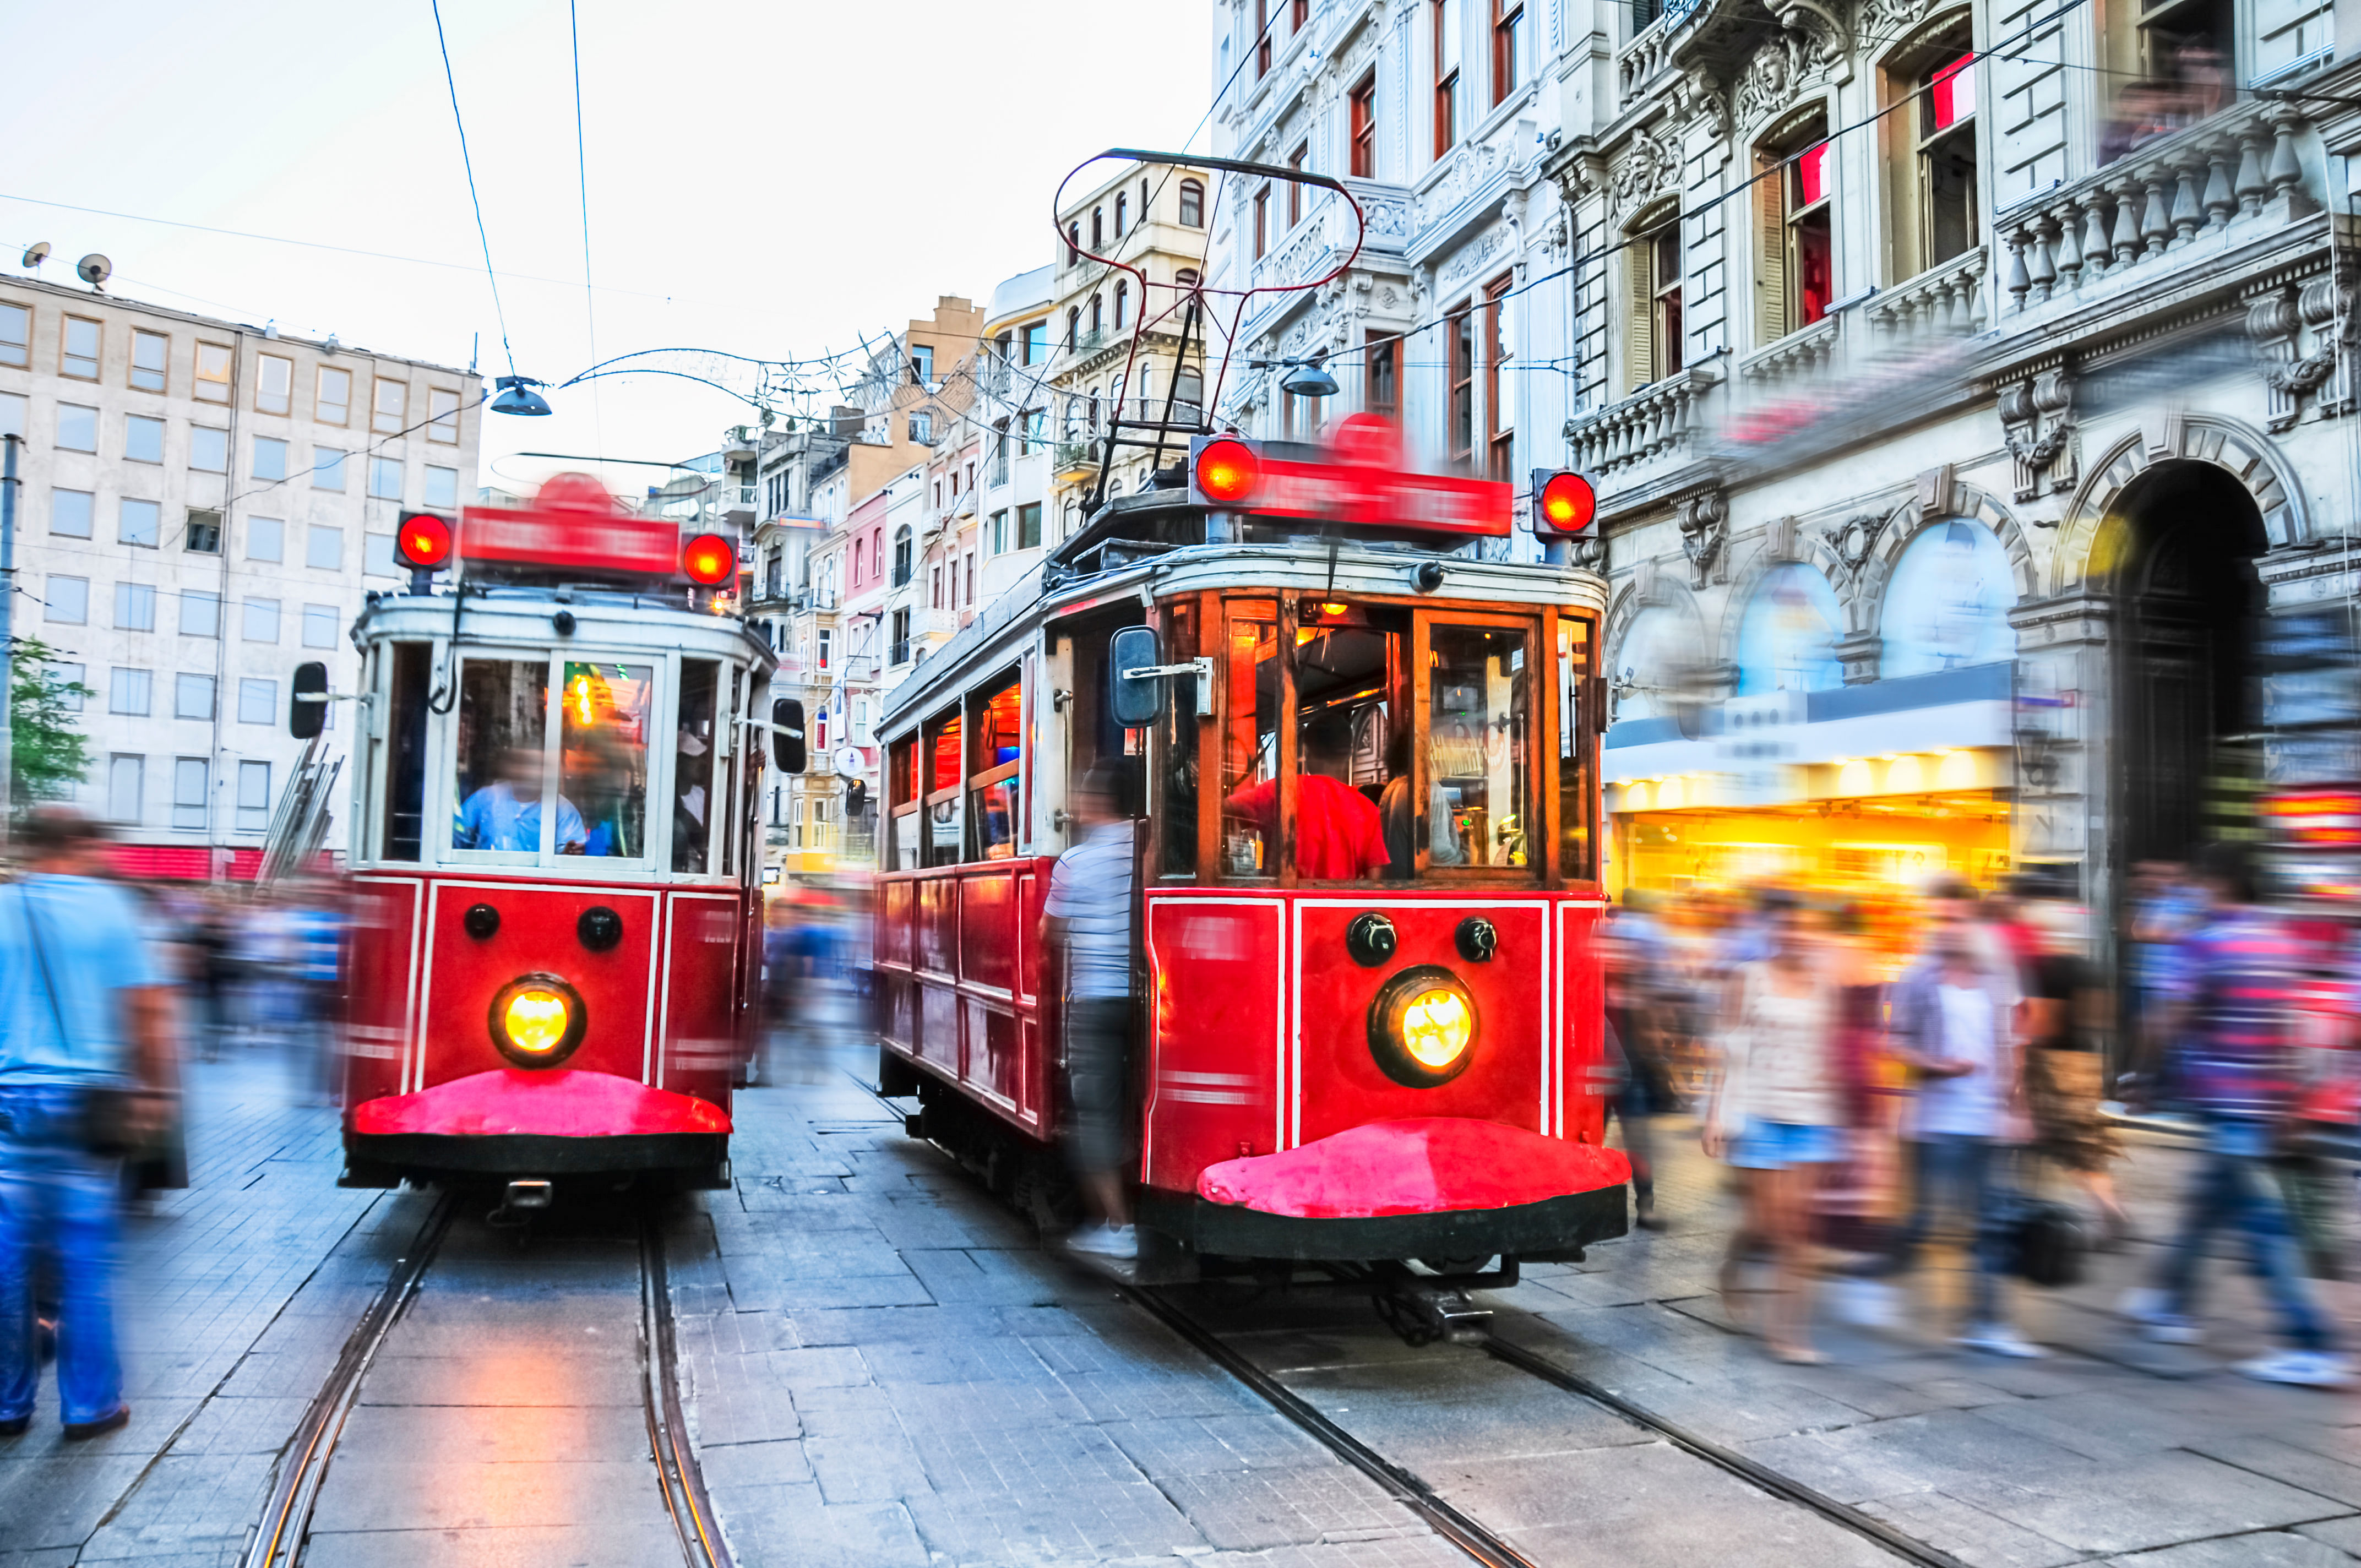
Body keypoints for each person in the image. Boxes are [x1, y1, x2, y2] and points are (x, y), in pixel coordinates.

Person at [2124, 841, 2351, 1387]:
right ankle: (2169, 1302)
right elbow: (2293, 1029)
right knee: (2203, 1206)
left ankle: (2309, 1341)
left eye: (2199, 883)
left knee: (2264, 1226)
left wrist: (2141, 1076)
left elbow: (2167, 1019)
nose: (2192, 893)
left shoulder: (2204, 942)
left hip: (2227, 1105)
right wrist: (2293, 1098)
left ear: (2219, 883)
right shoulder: (2278, 941)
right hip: (2261, 1102)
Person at [0, 808, 178, 1440]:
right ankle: (90, 1404)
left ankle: (6, 1402)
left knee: (8, 1258)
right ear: (77, 846)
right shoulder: (111, 909)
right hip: (88, 1102)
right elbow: (149, 1009)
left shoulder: (3, 908)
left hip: (10, 1103)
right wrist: (155, 1092)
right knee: (85, 1257)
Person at [1888, 883, 2043, 1359]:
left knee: (1989, 1221)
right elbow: (1895, 1042)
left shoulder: (1997, 974)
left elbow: (2012, 1041)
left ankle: (1986, 1321)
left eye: (1958, 919)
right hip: (1937, 1124)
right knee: (1925, 1223)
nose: (1950, 929)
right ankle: (1871, 1275)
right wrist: (1939, 1065)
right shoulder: (1917, 977)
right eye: (1942, 920)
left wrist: (2019, 1106)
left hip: (1987, 1121)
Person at [1704, 889, 1845, 1363]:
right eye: (1786, 927)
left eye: (1802, 927)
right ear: (1773, 932)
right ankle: (1736, 1262)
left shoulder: (1826, 985)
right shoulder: (1749, 978)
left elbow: (1831, 1053)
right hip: (1758, 1113)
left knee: (1797, 1232)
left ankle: (1789, 1333)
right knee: (1768, 1225)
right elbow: (1728, 1048)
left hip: (1811, 1117)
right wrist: (1715, 1114)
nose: (1795, 935)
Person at [1043, 762, 1140, 1261]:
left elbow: (1049, 933)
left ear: (1096, 802)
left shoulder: (1075, 862)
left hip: (1096, 999)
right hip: (1148, 1001)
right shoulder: (1150, 850)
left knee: (1095, 1110)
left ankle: (1119, 1227)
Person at [454, 746, 586, 854]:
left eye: (535, 766)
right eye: (522, 764)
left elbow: (569, 856)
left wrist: (569, 852)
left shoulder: (563, 809)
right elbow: (456, 836)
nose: (527, 771)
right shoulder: (486, 797)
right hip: (488, 878)